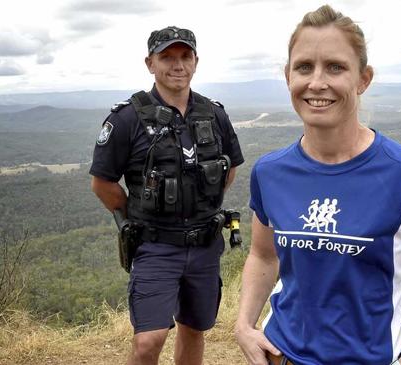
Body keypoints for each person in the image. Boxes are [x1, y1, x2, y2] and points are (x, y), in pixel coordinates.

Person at [235, 5, 401, 365]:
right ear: (287, 76)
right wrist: (243, 326)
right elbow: (263, 255)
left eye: (335, 67)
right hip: (282, 355)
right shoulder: (269, 172)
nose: (316, 83)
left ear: (363, 79)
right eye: (304, 67)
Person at [89, 25, 244, 365]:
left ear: (195, 61)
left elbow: (229, 168)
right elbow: (102, 182)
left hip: (204, 243)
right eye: (167, 57)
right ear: (150, 63)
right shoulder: (128, 118)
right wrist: (137, 214)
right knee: (148, 340)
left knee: (193, 328)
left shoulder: (214, 114)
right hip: (156, 245)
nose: (177, 65)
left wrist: (200, 201)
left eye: (185, 57)